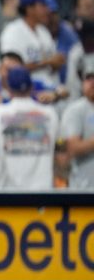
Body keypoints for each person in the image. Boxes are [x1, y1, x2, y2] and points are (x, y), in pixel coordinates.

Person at [0, 66, 58, 189]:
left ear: (9, 89)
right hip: (42, 194)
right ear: (31, 87)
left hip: (9, 194)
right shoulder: (50, 113)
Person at [0, 0, 64, 87]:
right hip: (25, 91)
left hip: (50, 91)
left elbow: (51, 68)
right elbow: (10, 69)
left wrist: (56, 63)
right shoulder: (12, 32)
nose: (47, 10)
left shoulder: (44, 32)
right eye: (43, 5)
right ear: (29, 8)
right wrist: (46, 62)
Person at [61, 56, 94, 188]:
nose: (92, 82)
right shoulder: (76, 110)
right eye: (88, 78)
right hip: (84, 189)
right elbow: (72, 148)